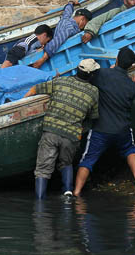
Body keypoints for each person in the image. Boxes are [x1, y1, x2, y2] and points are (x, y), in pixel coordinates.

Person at [73, 47, 135, 196]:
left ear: (116, 59)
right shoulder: (131, 86)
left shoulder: (102, 74)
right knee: (130, 149)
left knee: (88, 159)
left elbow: (88, 78)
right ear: (130, 66)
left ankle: (76, 192)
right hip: (122, 128)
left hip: (101, 129)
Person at [25, 59, 100, 199]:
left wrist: (23, 100)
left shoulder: (61, 81)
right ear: (91, 76)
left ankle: (40, 201)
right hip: (71, 136)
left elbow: (35, 89)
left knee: (43, 170)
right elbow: (93, 116)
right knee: (66, 163)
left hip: (50, 132)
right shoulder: (94, 92)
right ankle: (67, 192)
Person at [32, 2, 92, 69]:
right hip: (57, 58)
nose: (84, 26)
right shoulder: (70, 28)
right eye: (85, 23)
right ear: (83, 19)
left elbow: (67, 11)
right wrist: (42, 59)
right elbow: (57, 41)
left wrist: (71, 3)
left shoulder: (65, 19)